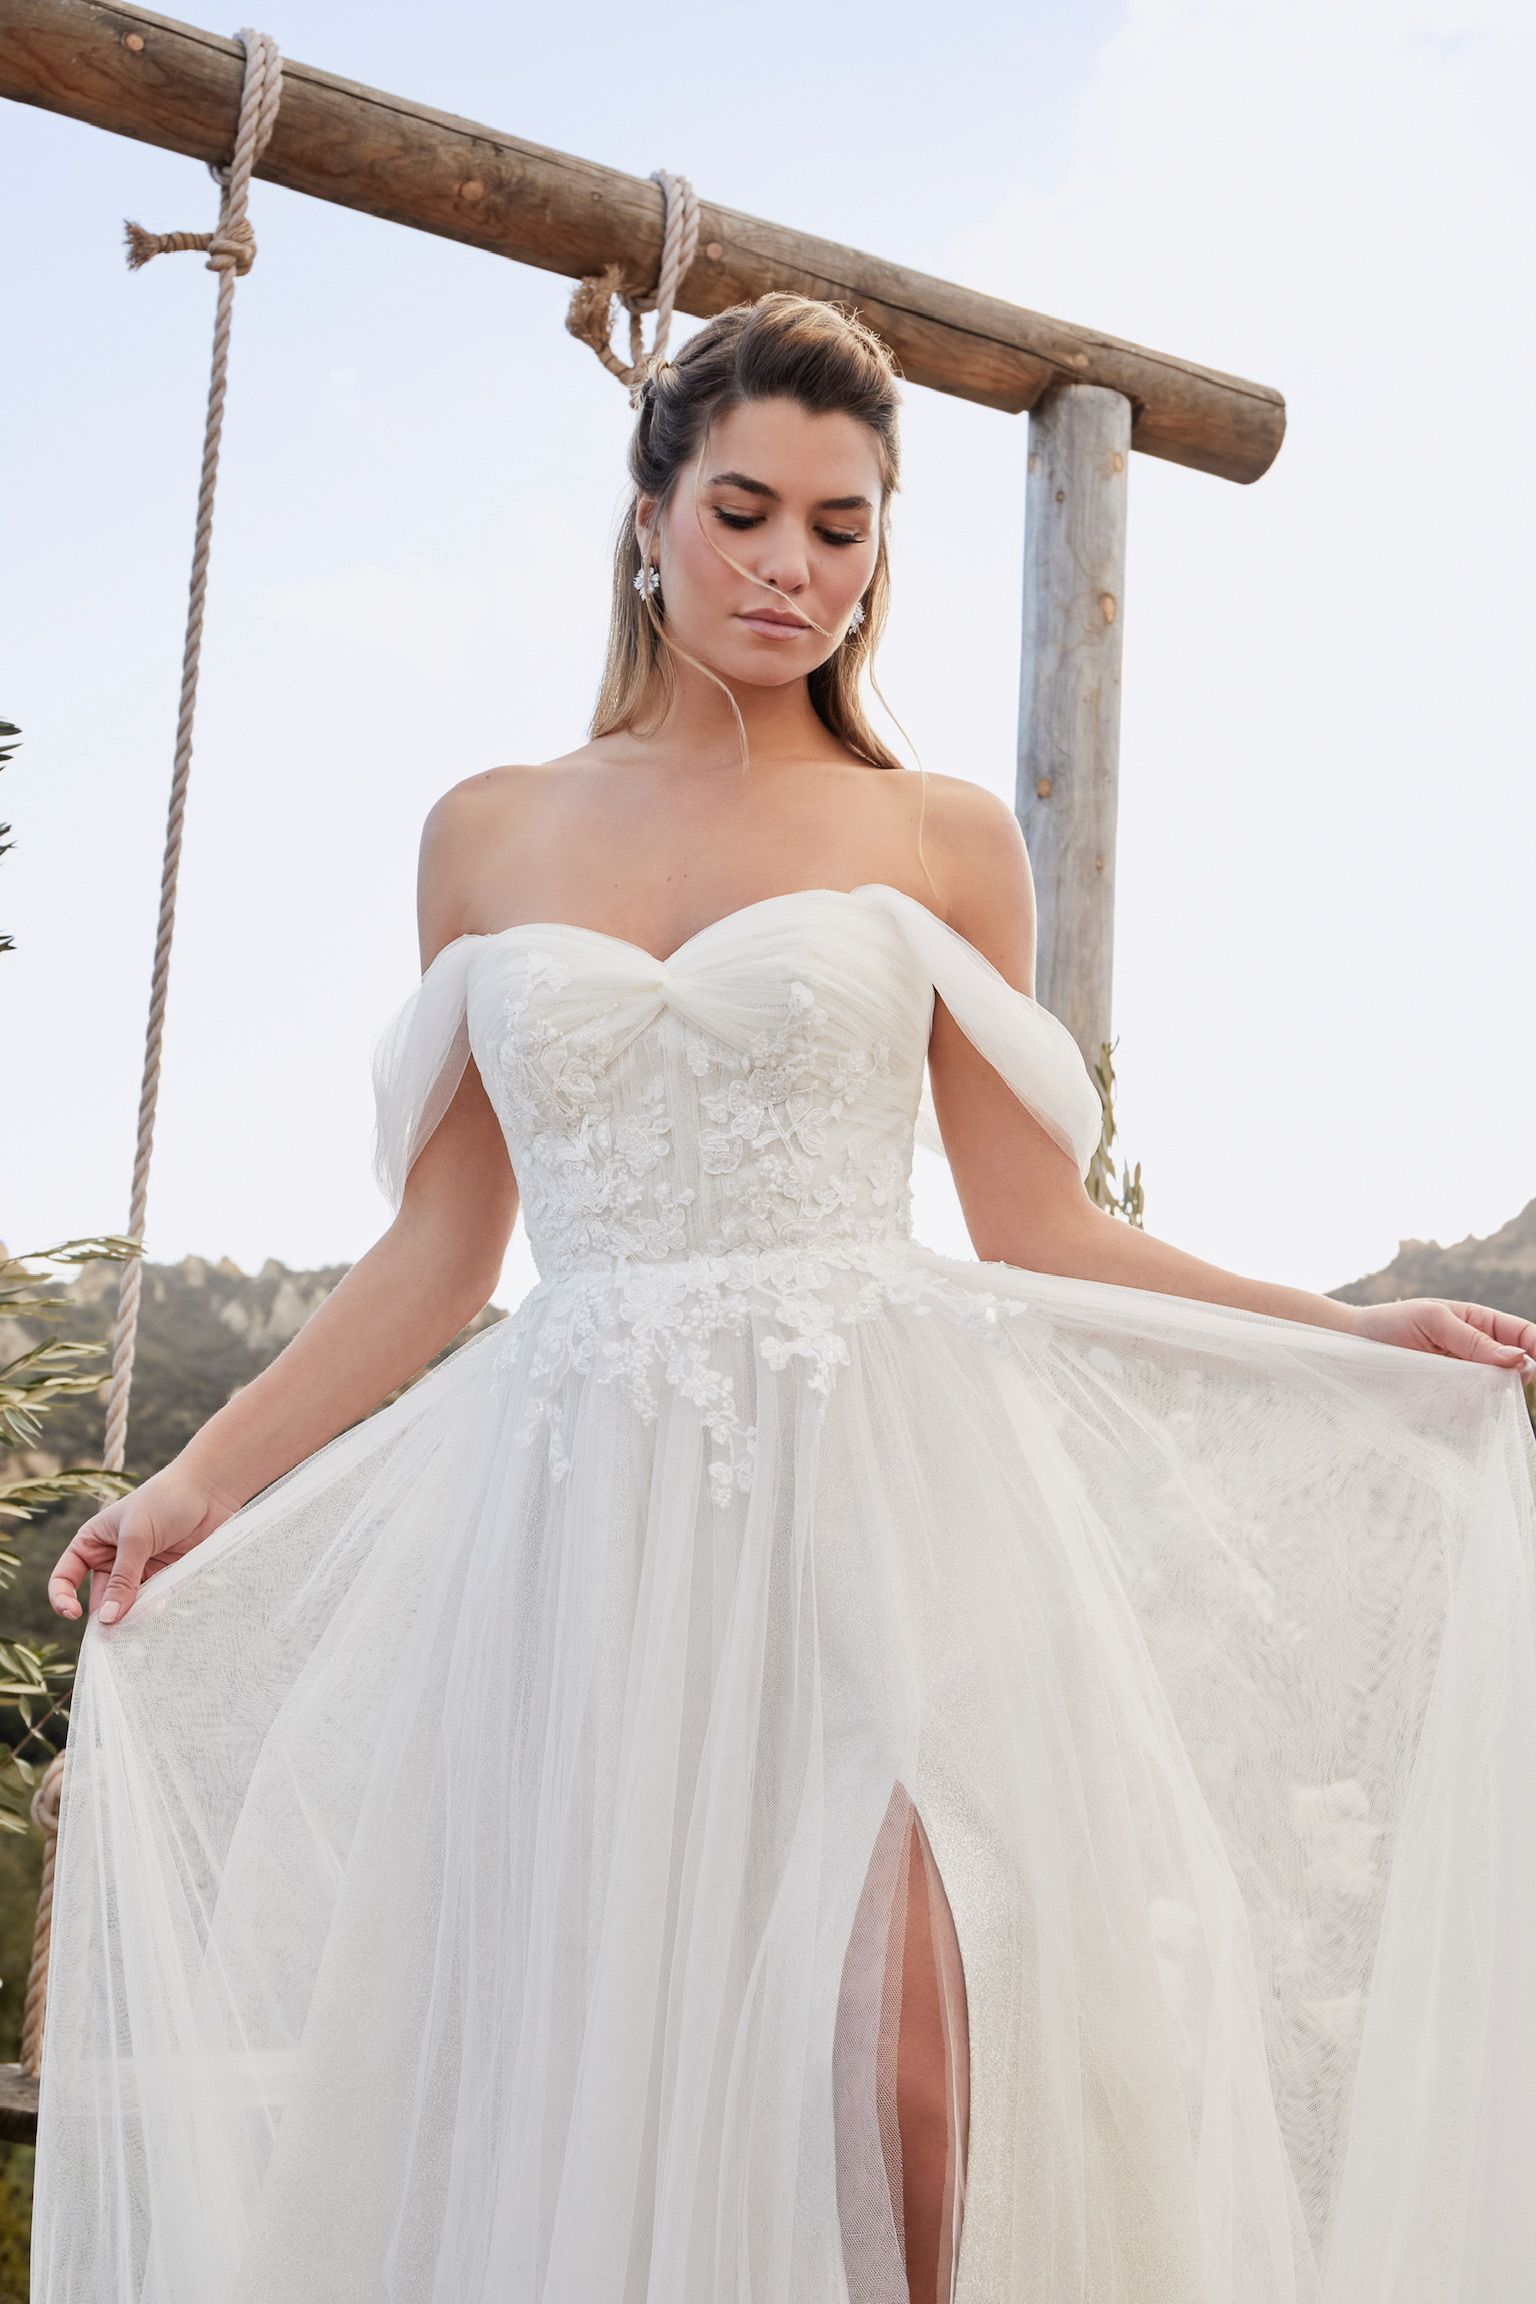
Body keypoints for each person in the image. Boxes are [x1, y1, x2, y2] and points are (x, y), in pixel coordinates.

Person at [33, 291, 1536, 2304]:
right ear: (649, 514)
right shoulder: (486, 833)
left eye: (845, 527)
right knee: (618, 2053)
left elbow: (1041, 1226)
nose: (794, 569)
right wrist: (194, 1486)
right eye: (747, 511)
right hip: (587, 1515)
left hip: (889, 1490)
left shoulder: (939, 835)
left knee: (908, 2057)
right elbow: (439, 1256)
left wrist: (1349, 1337)